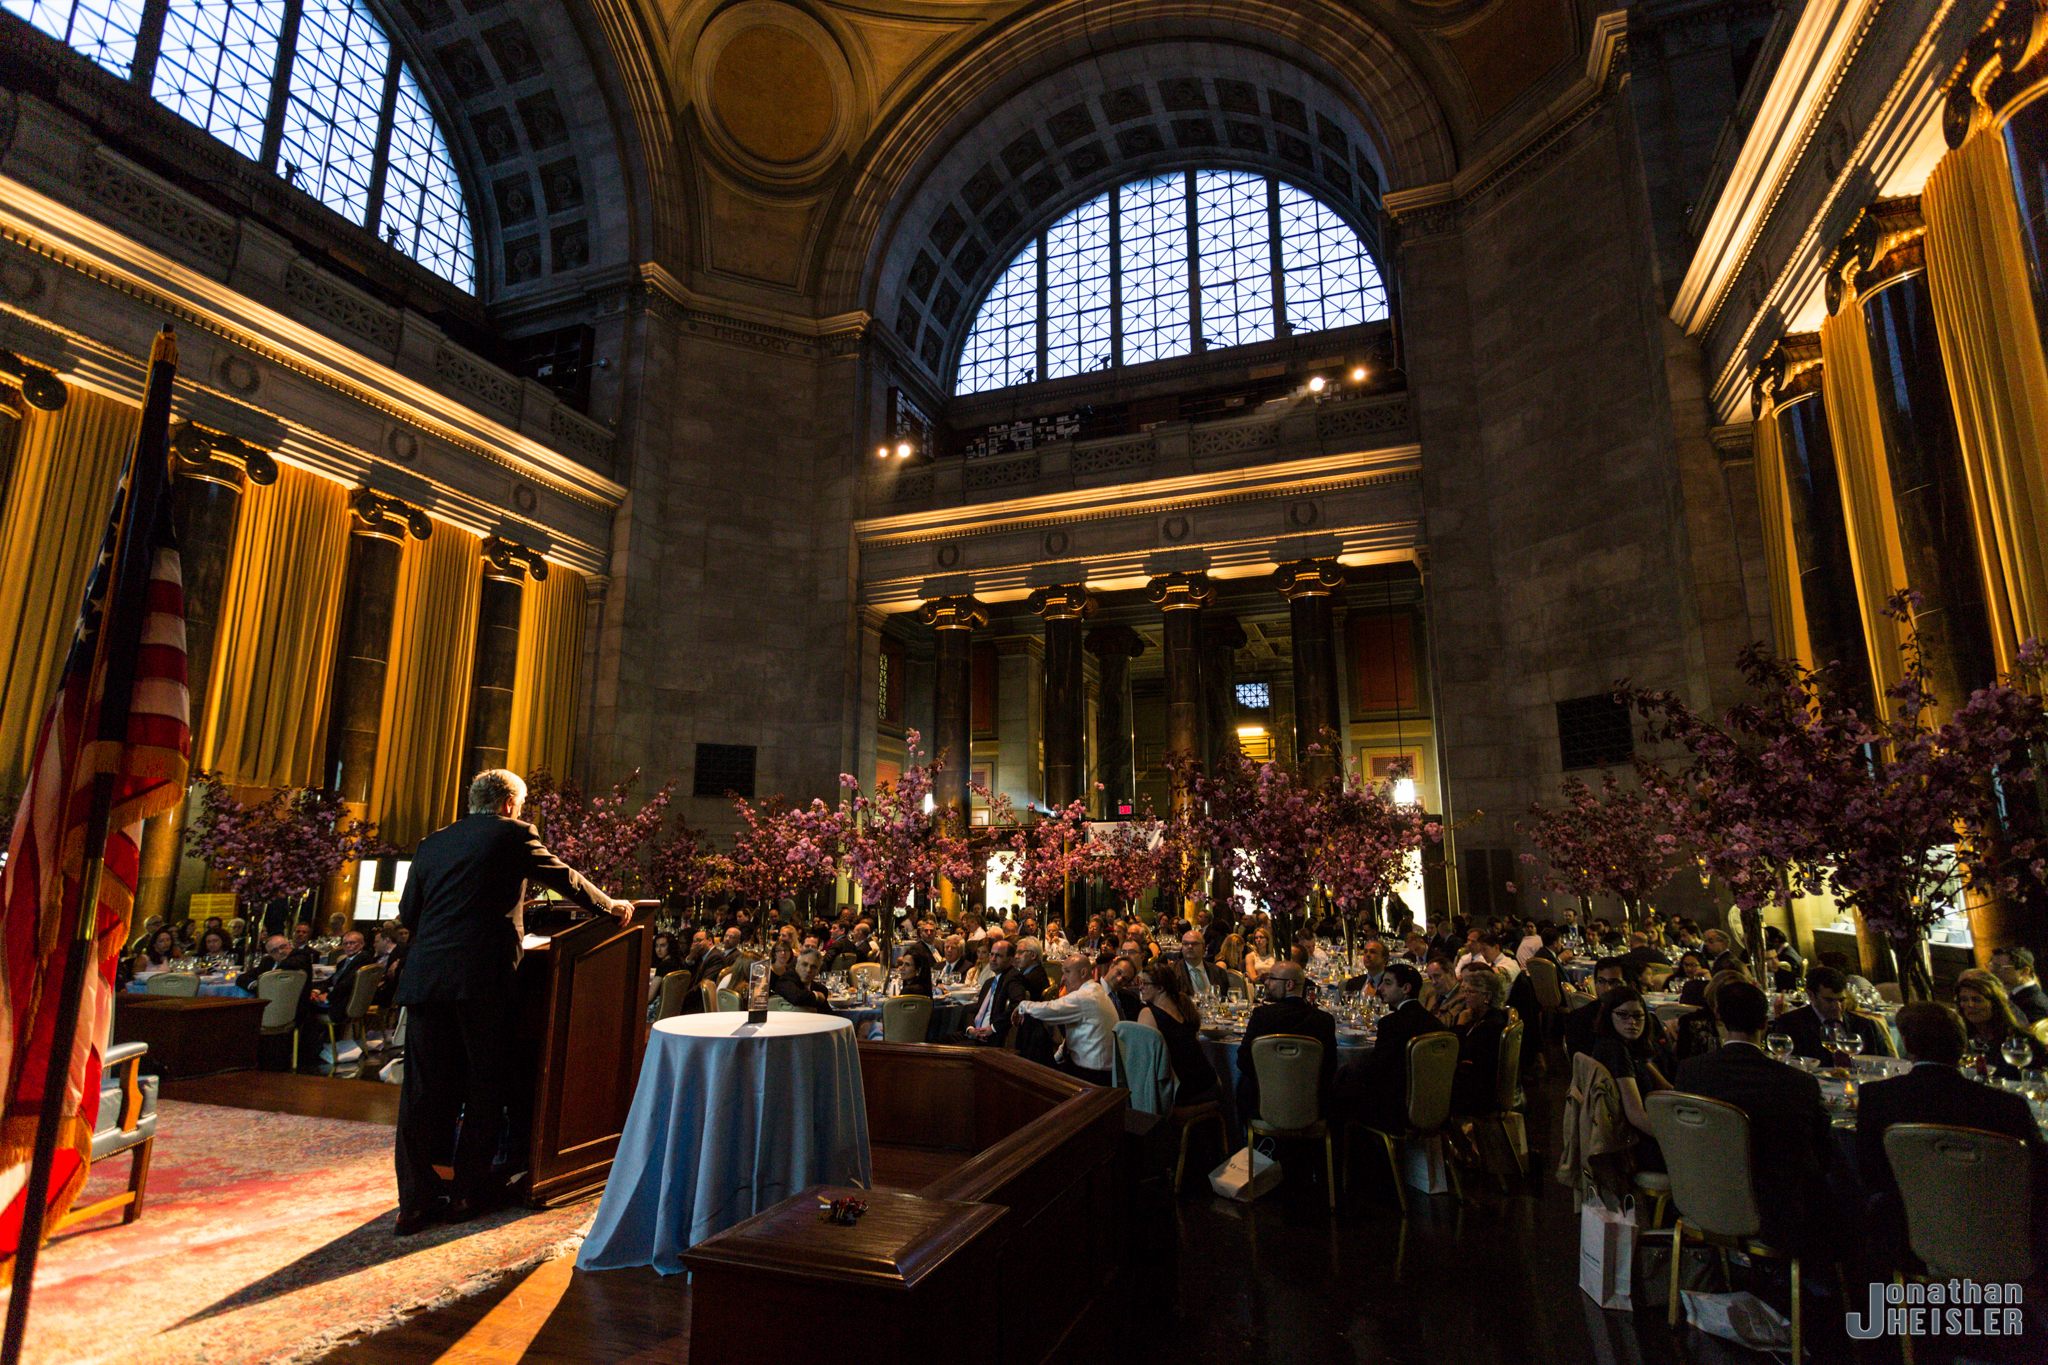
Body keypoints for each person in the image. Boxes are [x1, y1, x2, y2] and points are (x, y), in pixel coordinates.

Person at [392, 769, 632, 1237]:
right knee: (485, 1084)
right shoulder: (513, 834)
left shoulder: (433, 842)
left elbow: (408, 913)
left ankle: (415, 1202)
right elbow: (564, 878)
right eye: (520, 806)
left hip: (426, 979)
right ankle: (466, 1193)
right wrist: (612, 907)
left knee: (422, 1092)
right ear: (507, 804)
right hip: (482, 977)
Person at [1856, 1002, 2047, 1259]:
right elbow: (2039, 1174)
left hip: (1913, 1238)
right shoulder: (2007, 1106)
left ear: (1908, 1047)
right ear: (1962, 1047)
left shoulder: (1877, 1096)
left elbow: (1870, 1172)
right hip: (2005, 1240)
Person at [1673, 979, 1837, 1258]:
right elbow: (1824, 1152)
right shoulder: (1797, 1082)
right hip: (1775, 1213)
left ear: (1719, 1018)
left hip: (1703, 1198)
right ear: (1765, 1023)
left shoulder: (1690, 1072)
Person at [1334, 962, 1443, 1129]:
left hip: (1396, 1107)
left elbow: (1378, 1068)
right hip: (1432, 1102)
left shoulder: (1391, 1023)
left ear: (1406, 988)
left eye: (1388, 983)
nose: (1380, 988)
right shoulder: (1434, 1022)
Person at [1586, 986, 1671, 1166]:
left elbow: (1666, 1088)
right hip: (1636, 1146)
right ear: (1610, 1015)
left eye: (1638, 1016)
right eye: (1623, 1015)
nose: (1632, 1022)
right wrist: (1675, 1137)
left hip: (1643, 1135)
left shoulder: (1629, 1045)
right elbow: (1636, 1115)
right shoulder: (1614, 1050)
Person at [1012, 955, 1120, 1083]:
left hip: (1091, 1076)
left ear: (1083, 972)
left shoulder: (1085, 996)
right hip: (1092, 1070)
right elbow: (1072, 1037)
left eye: (1067, 972)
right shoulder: (1095, 990)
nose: (1062, 978)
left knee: (1032, 1020)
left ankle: (1022, 1078)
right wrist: (1056, 1057)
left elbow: (1049, 1010)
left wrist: (1022, 1005)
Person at [1136, 960, 1218, 1101]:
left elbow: (1145, 1062)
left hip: (1184, 1092)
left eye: (1145, 984)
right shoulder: (1184, 1007)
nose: (1140, 988)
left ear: (1160, 988)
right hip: (1210, 1084)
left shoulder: (1148, 1013)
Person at [1777, 965, 1892, 1064]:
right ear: (1811, 995)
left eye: (1841, 1000)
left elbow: (1884, 1062)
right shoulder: (1791, 1025)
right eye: (1829, 1000)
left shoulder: (1865, 1026)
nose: (1837, 1007)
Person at [1955, 968, 2048, 1079]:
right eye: (1964, 999)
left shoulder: (2020, 1041)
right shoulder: (1957, 1038)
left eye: (1977, 1000)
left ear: (1994, 1004)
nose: (1970, 1005)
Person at [1448, 966, 1513, 1116]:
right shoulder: (1480, 1018)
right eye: (1464, 991)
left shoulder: (1490, 1026)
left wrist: (1459, 1026)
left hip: (1477, 1093)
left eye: (1470, 991)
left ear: (1487, 997)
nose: (1465, 996)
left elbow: (1456, 1053)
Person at [941, 938, 1030, 1047]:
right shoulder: (989, 982)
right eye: (991, 954)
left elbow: (1018, 1005)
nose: (992, 959)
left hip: (988, 1040)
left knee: (942, 1051)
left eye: (998, 956)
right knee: (933, 1043)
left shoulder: (1013, 978)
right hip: (973, 1034)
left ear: (1010, 960)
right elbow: (975, 1009)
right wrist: (970, 1029)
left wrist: (992, 1028)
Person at [1565, 956, 1628, 1057]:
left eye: (1614, 983)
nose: (1607, 988)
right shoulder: (1580, 1019)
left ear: (1627, 985)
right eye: (1601, 981)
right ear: (1595, 983)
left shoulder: (1638, 1017)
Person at [308, 930, 371, 1018]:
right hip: (337, 998)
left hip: (343, 1004)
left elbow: (347, 984)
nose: (348, 946)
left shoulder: (363, 959)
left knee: (304, 1005)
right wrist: (316, 991)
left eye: (352, 943)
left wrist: (327, 998)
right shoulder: (344, 961)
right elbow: (332, 979)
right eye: (345, 944)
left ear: (362, 944)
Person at [235, 934, 316, 994]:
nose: (280, 952)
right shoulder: (268, 961)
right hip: (265, 1003)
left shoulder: (301, 957)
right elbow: (241, 978)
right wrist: (256, 985)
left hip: (292, 1007)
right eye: (274, 951)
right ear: (269, 954)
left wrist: (263, 984)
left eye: (282, 947)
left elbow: (287, 967)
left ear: (289, 945)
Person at [1990, 946, 2048, 1027]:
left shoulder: (2034, 1004)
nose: (1992, 970)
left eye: (1999, 967)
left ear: (2024, 971)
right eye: (1991, 965)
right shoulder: (2019, 996)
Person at [769, 944, 831, 1011]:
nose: (808, 970)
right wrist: (815, 995)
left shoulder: (820, 989)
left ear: (818, 971)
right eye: (804, 965)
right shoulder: (786, 979)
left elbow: (828, 1013)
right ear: (797, 965)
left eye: (813, 967)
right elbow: (796, 997)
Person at [1178, 929, 1229, 1004]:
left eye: (1194, 944)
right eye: (1185, 944)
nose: (1189, 947)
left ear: (1203, 947)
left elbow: (1226, 1001)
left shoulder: (1218, 972)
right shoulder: (1172, 972)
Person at [1102, 953, 1143, 1022]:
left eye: (1125, 979)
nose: (1119, 979)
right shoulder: (1090, 990)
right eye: (1118, 972)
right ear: (1111, 966)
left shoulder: (1131, 999)